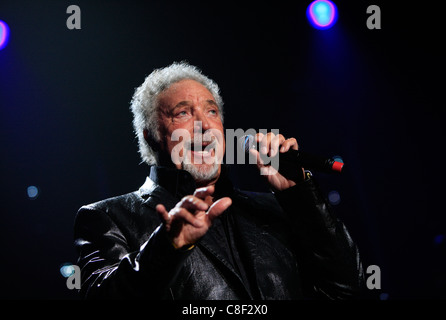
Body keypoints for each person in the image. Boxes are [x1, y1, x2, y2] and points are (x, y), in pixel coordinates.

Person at [74, 62, 365, 299]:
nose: (205, 125)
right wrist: (165, 248)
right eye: (183, 112)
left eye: (212, 111)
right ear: (151, 135)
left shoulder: (274, 208)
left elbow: (348, 290)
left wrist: (300, 198)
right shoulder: (109, 217)